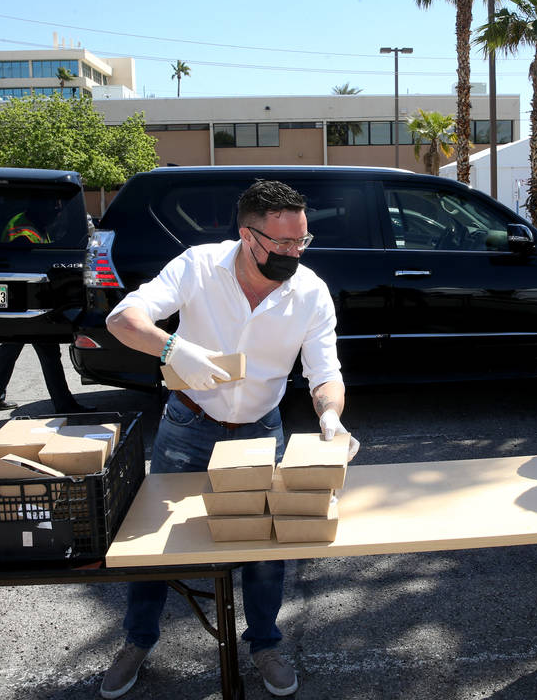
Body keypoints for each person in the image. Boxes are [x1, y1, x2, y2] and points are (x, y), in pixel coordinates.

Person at [100, 179, 355, 699]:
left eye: (301, 241)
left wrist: (331, 418)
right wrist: (173, 349)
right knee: (151, 545)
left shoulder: (309, 291)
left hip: (262, 430)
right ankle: (137, 640)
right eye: (282, 243)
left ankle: (265, 644)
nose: (293, 253)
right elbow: (122, 318)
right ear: (247, 234)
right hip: (188, 424)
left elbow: (325, 370)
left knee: (266, 546)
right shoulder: (197, 266)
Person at [0, 199, 92, 414]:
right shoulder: (24, 232)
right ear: (41, 211)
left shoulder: (33, 226)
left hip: (19, 301)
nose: (56, 216)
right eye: (54, 212)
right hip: (27, 301)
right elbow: (30, 265)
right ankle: (64, 404)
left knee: (10, 348)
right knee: (48, 351)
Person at [0, 342, 92, 413]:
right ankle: (64, 404)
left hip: (20, 313)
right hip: (36, 313)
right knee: (49, 355)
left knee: (9, 350)